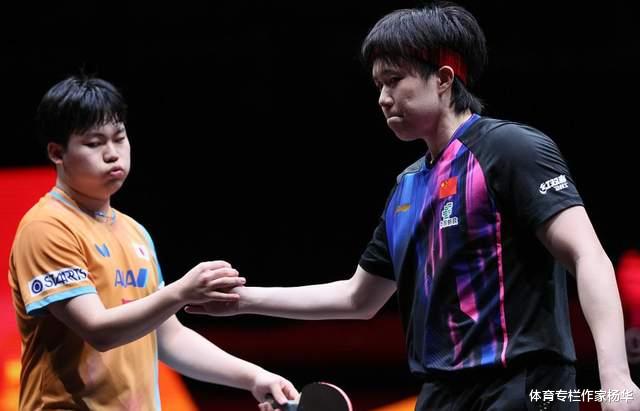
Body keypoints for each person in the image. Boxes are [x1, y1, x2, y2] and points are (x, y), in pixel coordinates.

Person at [187, 2, 640, 410]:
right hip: (441, 392)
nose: (383, 98)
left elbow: (587, 255)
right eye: (378, 85)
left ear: (442, 79)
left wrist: (616, 379)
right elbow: (359, 297)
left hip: (522, 385)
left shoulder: (511, 150)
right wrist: (242, 301)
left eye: (394, 80)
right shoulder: (407, 188)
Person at [8, 75, 298, 410]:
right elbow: (99, 330)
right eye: (94, 143)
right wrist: (181, 292)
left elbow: (169, 338)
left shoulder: (134, 232)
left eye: (119, 138)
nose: (112, 154)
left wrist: (254, 376)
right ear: (57, 152)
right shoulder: (47, 227)